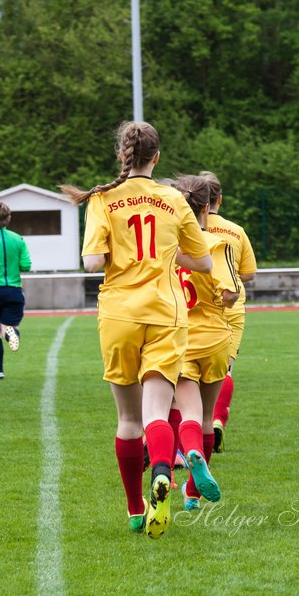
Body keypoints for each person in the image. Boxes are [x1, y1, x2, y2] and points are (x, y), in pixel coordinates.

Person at [62, 121, 211, 539]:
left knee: (128, 419)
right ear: (157, 157)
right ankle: (163, 471)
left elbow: (92, 262)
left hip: (120, 315)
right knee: (156, 413)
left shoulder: (103, 199)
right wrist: (169, 256)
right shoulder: (175, 199)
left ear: (122, 156)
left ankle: (134, 508)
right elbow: (203, 263)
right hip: (166, 312)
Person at [167, 175, 239, 511]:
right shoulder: (215, 245)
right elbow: (230, 293)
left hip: (180, 338)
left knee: (188, 413)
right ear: (208, 206)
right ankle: (193, 493)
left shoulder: (169, 246)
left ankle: (190, 451)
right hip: (215, 339)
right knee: (209, 415)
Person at [198, 171, 258, 452]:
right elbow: (248, 274)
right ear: (219, 199)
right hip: (232, 305)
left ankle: (191, 426)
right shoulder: (236, 231)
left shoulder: (190, 228)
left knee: (189, 370)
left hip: (197, 302)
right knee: (225, 367)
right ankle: (216, 420)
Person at [0, 202, 32, 378]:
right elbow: (26, 265)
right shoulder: (18, 239)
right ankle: (10, 332)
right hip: (13, 289)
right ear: (9, 218)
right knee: (9, 325)